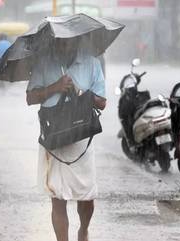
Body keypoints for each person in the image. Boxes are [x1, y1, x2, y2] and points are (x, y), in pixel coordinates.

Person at [26, 38, 106, 241]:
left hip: (81, 139)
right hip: (54, 138)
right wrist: (54, 87)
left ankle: (83, 230)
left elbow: (102, 102)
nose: (64, 46)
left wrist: (81, 92)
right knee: (58, 197)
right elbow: (30, 98)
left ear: (78, 41)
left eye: (68, 42)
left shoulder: (91, 63)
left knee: (86, 196)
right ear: (53, 42)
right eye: (59, 42)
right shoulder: (43, 63)